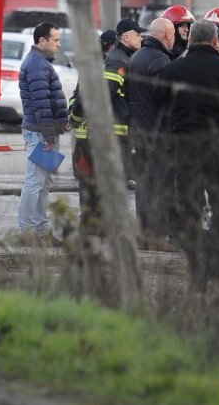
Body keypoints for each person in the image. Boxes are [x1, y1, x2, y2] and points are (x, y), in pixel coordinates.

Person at [158, 19, 219, 290]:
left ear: (189, 41)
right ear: (215, 41)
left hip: (185, 147)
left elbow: (158, 103)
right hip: (218, 147)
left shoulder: (174, 69)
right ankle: (212, 261)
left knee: (189, 208)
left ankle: (200, 268)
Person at [126, 17, 176, 244]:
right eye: (173, 35)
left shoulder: (135, 58)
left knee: (144, 185)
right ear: (167, 35)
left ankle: (144, 232)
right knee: (161, 186)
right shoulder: (161, 61)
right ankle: (157, 234)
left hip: (139, 132)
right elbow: (166, 101)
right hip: (158, 135)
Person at [17, 21, 69, 243]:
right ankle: (27, 232)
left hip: (44, 132)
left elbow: (49, 101)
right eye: (55, 40)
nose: (58, 45)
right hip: (40, 134)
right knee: (34, 183)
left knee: (43, 183)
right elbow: (41, 104)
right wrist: (49, 135)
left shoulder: (41, 63)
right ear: (42, 41)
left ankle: (40, 231)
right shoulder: (37, 65)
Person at [66, 30, 115, 236]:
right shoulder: (104, 67)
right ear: (111, 46)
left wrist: (73, 119)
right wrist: (75, 117)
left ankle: (90, 222)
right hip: (95, 135)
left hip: (84, 135)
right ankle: (95, 224)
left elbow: (75, 98)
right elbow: (82, 99)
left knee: (87, 183)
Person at [105, 18, 146, 181]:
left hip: (124, 128)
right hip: (119, 130)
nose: (141, 38)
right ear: (126, 37)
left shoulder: (125, 56)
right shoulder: (118, 60)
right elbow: (106, 92)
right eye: (138, 35)